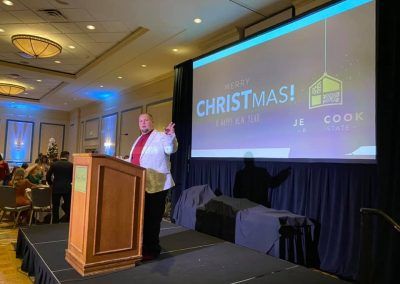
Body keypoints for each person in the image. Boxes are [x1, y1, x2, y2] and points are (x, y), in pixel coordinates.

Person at [128, 113, 178, 260]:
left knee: (152, 219)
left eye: (146, 120)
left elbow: (170, 149)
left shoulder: (162, 136)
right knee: (141, 219)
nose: (143, 123)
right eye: (140, 121)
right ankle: (141, 246)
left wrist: (171, 137)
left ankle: (152, 250)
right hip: (139, 183)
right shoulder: (138, 139)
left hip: (156, 184)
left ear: (152, 121)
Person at [46, 151, 73, 223]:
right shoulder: (71, 165)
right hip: (67, 188)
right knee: (68, 206)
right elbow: (74, 176)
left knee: (55, 206)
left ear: (60, 156)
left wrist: (51, 184)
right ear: (67, 156)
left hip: (56, 187)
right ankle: (67, 221)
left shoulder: (54, 164)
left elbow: (48, 176)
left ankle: (55, 222)